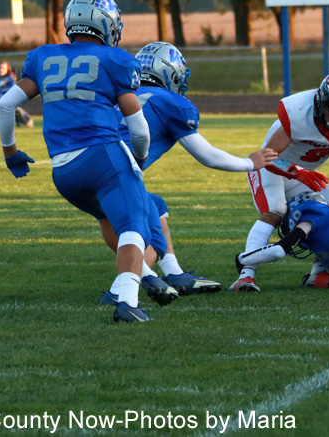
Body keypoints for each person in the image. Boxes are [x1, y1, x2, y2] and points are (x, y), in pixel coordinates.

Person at [0, 0, 178, 323]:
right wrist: (136, 162)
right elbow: (139, 130)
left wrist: (11, 153)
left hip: (63, 171)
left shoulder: (43, 56)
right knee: (134, 226)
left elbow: (5, 105)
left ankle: (148, 276)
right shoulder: (116, 59)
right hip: (102, 155)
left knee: (109, 218)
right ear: (107, 25)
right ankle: (127, 302)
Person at [116, 41, 277, 295]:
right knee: (153, 240)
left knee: (156, 205)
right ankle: (122, 290)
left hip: (92, 170)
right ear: (169, 73)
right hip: (115, 179)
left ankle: (174, 273)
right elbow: (207, 155)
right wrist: (249, 163)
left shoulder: (120, 96)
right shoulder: (170, 102)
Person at [231, 69, 329, 292]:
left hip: (305, 174)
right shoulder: (298, 111)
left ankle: (318, 273)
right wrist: (298, 173)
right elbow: (267, 158)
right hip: (272, 167)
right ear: (319, 102)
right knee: (276, 209)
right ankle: (246, 276)